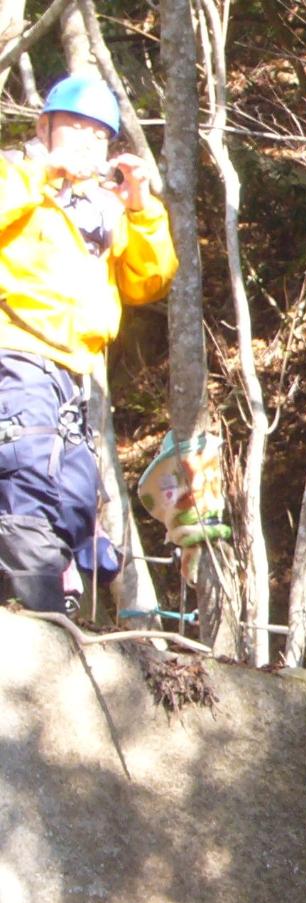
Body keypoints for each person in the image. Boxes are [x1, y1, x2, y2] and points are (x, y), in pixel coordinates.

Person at [0, 76, 175, 611]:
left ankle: (48, 606)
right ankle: (37, 617)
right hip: (15, 351)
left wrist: (140, 208)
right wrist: (43, 173)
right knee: (27, 482)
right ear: (43, 129)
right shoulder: (14, 173)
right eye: (75, 128)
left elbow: (149, 281)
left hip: (74, 373)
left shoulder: (102, 206)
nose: (86, 141)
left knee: (75, 499)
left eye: (99, 135)